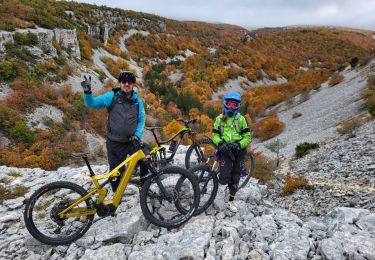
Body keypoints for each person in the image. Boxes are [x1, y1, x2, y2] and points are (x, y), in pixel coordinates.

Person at [81, 71, 146, 192]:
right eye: (124, 81)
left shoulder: (138, 101)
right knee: (116, 173)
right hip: (114, 143)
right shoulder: (112, 96)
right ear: (120, 83)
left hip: (132, 140)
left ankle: (145, 187)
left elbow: (142, 120)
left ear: (133, 85)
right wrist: (87, 92)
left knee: (145, 160)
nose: (126, 84)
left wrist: (137, 135)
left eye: (129, 82)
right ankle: (117, 197)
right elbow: (92, 103)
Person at [212, 91, 252, 207]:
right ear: (225, 104)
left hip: (239, 150)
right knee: (224, 177)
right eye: (229, 104)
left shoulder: (241, 119)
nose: (231, 107)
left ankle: (232, 196)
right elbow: (215, 134)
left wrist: (240, 144)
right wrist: (219, 142)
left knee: (236, 174)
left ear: (238, 106)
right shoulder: (219, 119)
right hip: (225, 149)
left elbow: (247, 137)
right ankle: (225, 185)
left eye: (234, 105)